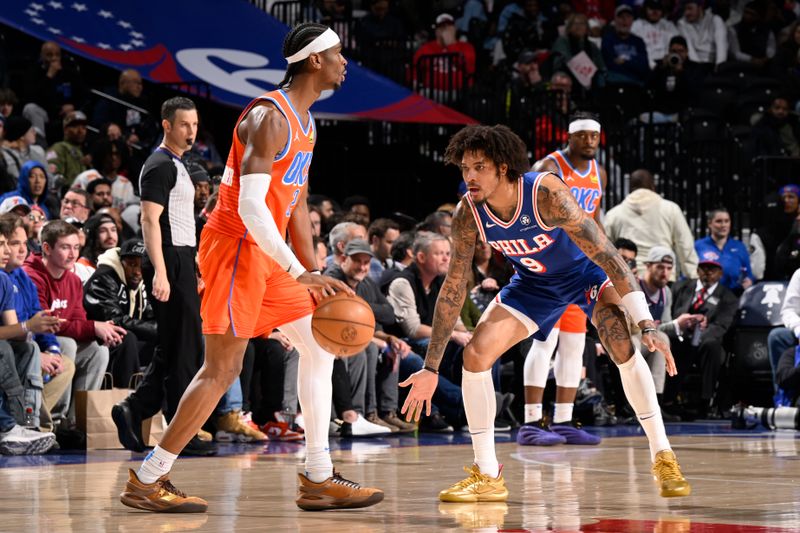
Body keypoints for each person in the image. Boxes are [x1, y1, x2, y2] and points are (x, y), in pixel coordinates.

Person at [119, 23, 383, 513]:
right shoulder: (269, 118)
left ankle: (319, 475)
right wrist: (296, 267)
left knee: (320, 343)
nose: (345, 62)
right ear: (314, 62)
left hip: (268, 253)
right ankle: (149, 478)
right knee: (221, 370)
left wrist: (312, 268)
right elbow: (253, 209)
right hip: (237, 248)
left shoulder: (307, 121)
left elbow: (297, 202)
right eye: (338, 54)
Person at [400, 124, 690, 503]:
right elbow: (453, 288)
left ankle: (662, 454)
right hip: (534, 285)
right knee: (475, 354)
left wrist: (646, 322)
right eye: (464, 168)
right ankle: (487, 474)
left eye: (478, 167)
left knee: (620, 345)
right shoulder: (467, 213)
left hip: (585, 273)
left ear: (503, 166)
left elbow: (607, 254)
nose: (469, 176)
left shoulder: (545, 193)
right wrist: (431, 367)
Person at [111, 97, 213, 457]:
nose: (191, 132)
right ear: (167, 125)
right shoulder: (158, 165)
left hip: (182, 256)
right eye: (185, 125)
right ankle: (181, 430)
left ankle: (134, 408)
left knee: (175, 347)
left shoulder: (179, 164)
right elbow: (149, 220)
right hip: (168, 257)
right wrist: (163, 273)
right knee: (185, 349)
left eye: (195, 125)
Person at [520, 113, 607, 446]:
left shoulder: (599, 173)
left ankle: (564, 420)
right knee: (545, 341)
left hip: (578, 266)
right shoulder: (549, 165)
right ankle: (530, 423)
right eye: (582, 136)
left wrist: (602, 256)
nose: (589, 142)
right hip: (548, 265)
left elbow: (594, 219)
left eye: (594, 137)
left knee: (574, 344)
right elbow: (529, 212)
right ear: (569, 138)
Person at [662, 257, 737, 418]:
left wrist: (699, 332)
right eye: (704, 268)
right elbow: (669, 314)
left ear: (720, 273)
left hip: (707, 341)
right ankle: (667, 400)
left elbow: (721, 326)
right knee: (673, 344)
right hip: (679, 335)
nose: (708, 273)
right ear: (697, 270)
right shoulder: (680, 287)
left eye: (713, 269)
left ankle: (706, 401)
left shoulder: (728, 297)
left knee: (712, 346)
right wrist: (683, 326)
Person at [605, 168, 698, 280]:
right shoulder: (671, 209)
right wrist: (693, 276)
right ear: (653, 187)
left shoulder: (614, 214)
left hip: (629, 277)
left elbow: (605, 248)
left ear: (630, 188)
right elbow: (685, 245)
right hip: (662, 276)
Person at [694, 208, 754, 294]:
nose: (723, 225)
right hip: (706, 295)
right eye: (719, 221)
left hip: (734, 296)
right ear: (709, 224)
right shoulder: (698, 246)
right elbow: (688, 273)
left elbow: (749, 273)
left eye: (727, 221)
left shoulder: (739, 247)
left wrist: (749, 281)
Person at [601, 5, 650, 87]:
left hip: (636, 85)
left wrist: (624, 62)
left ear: (632, 20)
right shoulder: (607, 40)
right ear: (615, 20)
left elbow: (643, 67)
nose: (625, 20)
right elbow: (610, 66)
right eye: (621, 17)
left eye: (628, 17)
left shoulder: (638, 41)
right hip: (615, 84)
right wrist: (633, 63)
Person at [631, 0, 679, 69]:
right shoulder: (635, 26)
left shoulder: (669, 26)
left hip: (666, 65)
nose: (655, 12)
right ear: (645, 9)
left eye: (658, 8)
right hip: (644, 66)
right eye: (652, 8)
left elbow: (678, 45)